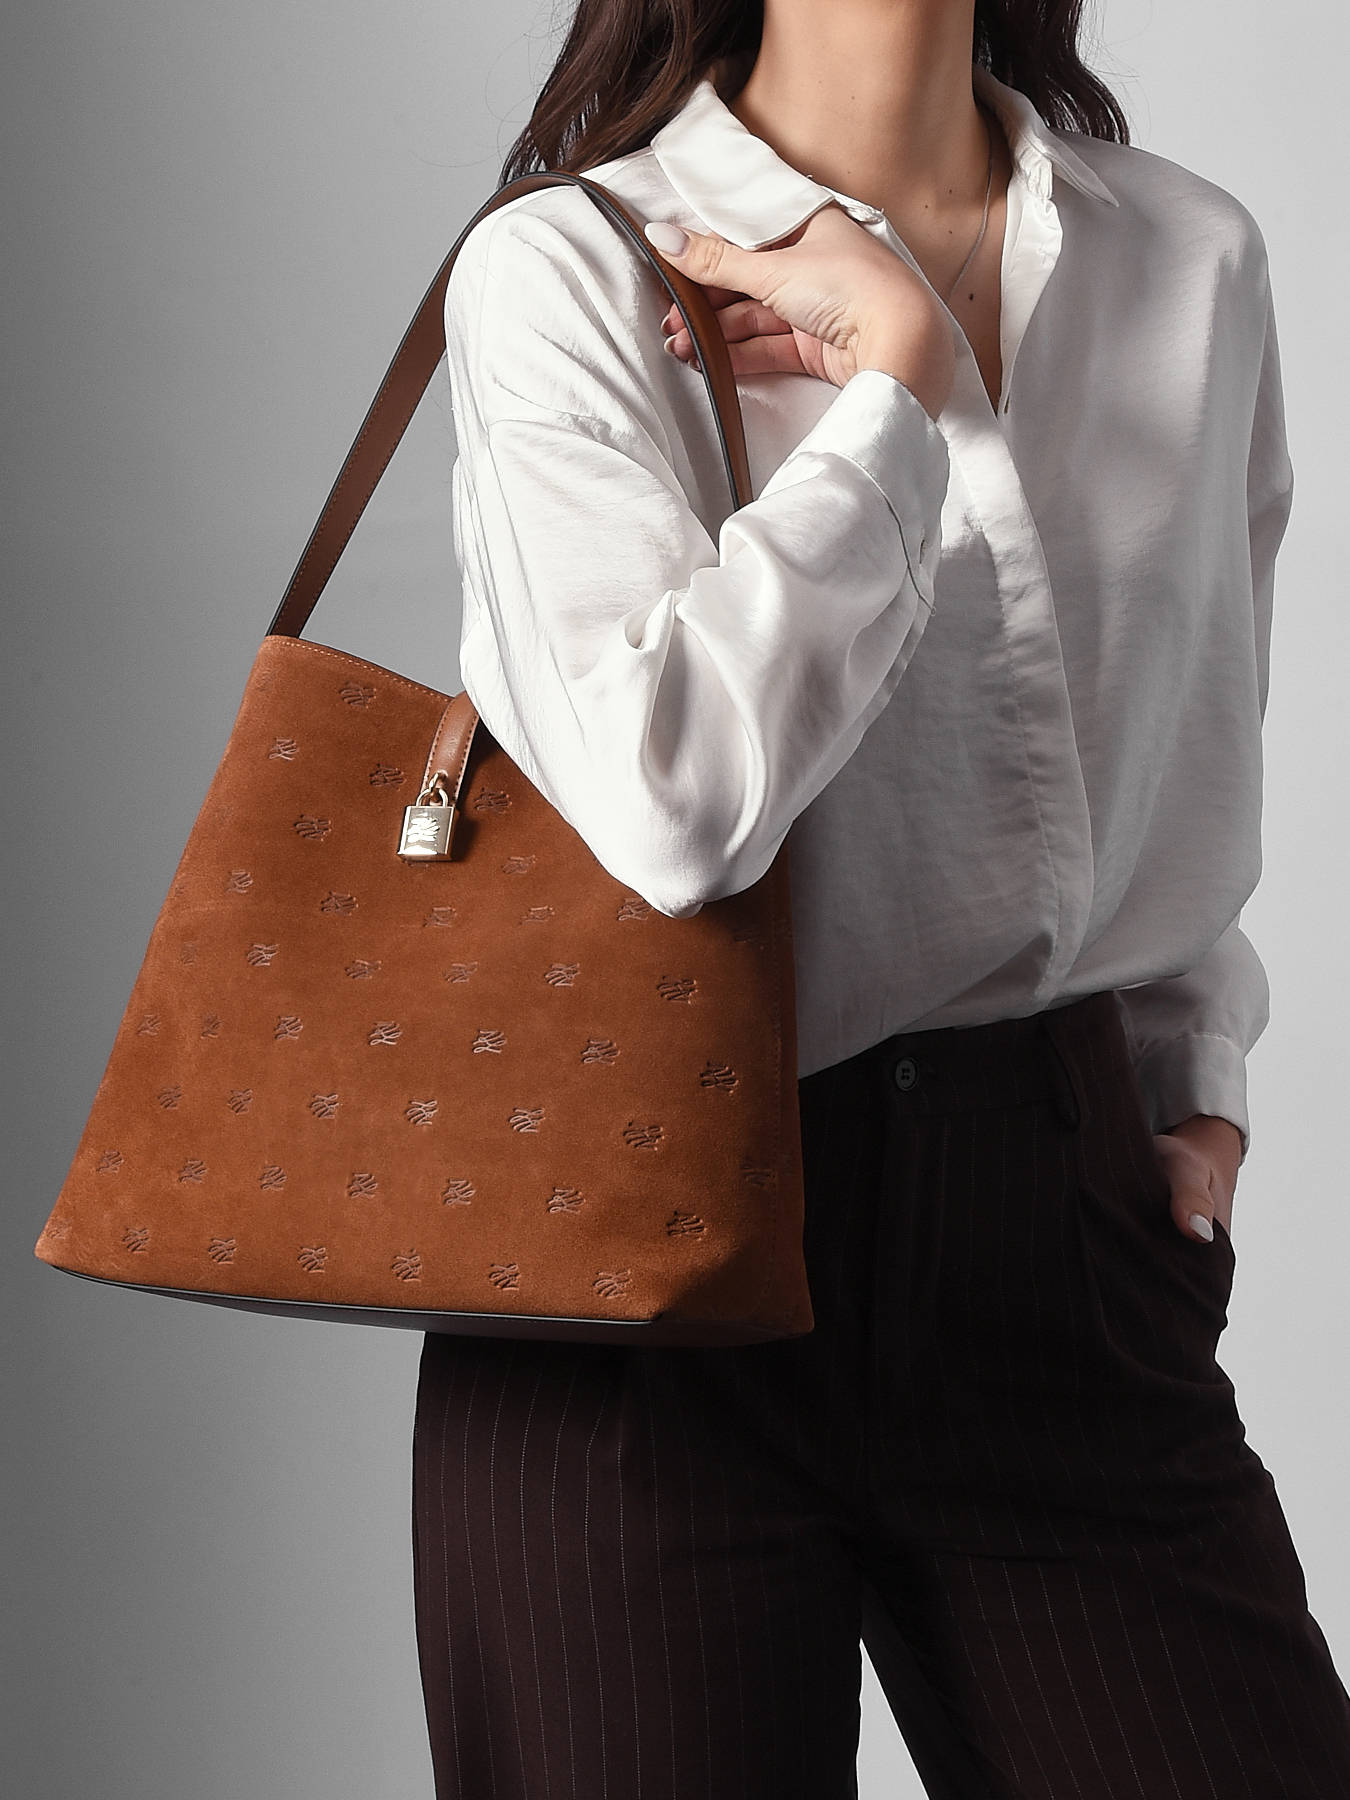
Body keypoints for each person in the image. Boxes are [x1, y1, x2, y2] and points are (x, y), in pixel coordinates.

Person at [410, 2, 1350, 1794]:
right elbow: (675, 800)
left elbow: (1187, 733)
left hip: (1059, 1242)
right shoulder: (571, 268)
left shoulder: (1187, 256)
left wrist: (1191, 1084)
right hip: (634, 1271)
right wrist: (896, 396)